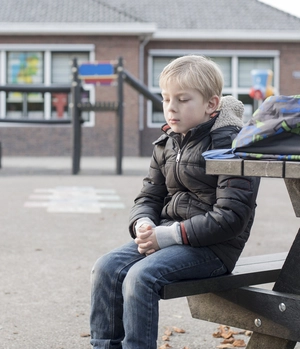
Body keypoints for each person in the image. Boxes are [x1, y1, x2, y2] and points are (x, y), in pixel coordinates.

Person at [90, 55, 260, 349]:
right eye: (166, 98)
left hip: (214, 248)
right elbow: (149, 195)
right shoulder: (168, 143)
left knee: (140, 277)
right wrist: (143, 223)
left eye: (182, 99)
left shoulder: (232, 148)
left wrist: (167, 235)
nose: (171, 107)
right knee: (106, 267)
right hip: (167, 236)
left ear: (211, 105)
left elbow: (231, 217)